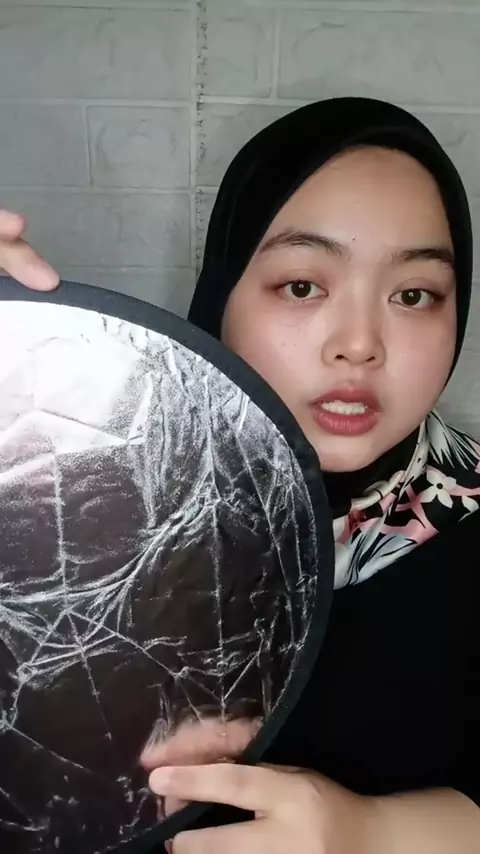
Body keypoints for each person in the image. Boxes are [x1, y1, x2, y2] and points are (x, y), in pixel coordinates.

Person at [0, 97, 479, 852]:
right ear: (222, 293)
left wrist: (376, 834)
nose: (359, 343)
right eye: (303, 286)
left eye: (413, 295)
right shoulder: (73, 491)